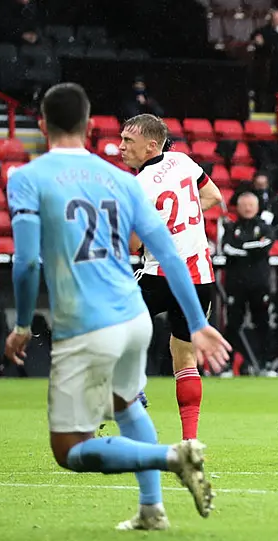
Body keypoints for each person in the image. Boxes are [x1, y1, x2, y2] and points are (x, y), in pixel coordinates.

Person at [4, 83, 230, 530]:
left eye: (127, 140)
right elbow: (170, 249)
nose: (121, 145)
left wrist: (22, 321)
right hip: (155, 300)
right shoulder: (130, 179)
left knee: (70, 446)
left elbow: (27, 262)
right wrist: (200, 320)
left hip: (93, 313)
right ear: (90, 128)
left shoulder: (29, 178)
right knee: (132, 401)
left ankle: (173, 455)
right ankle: (153, 507)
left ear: (43, 125)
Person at [119, 114, 223, 441]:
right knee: (185, 356)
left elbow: (135, 243)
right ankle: (190, 440)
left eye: (128, 142)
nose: (121, 147)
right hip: (199, 278)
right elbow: (213, 197)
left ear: (151, 146)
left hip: (159, 275)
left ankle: (131, 389)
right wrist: (183, 226)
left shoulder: (136, 186)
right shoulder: (181, 161)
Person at [222, 192, 275, 367]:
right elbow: (228, 248)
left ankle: (266, 363)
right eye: (244, 204)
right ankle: (228, 365)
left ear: (257, 207)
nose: (247, 208)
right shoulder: (231, 227)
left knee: (262, 322)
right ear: (237, 207)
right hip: (236, 284)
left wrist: (244, 247)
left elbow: (265, 244)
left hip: (259, 284)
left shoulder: (264, 227)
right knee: (233, 324)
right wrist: (251, 248)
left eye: (251, 204)